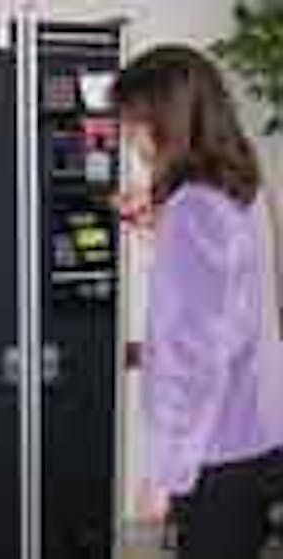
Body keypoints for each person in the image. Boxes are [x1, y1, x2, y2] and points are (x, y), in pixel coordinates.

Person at [113, 45, 283, 559]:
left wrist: (164, 475)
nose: (130, 137)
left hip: (217, 448)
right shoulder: (240, 182)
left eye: (134, 123)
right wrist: (162, 237)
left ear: (166, 121)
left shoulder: (193, 212)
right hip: (255, 427)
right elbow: (232, 303)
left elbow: (192, 361)